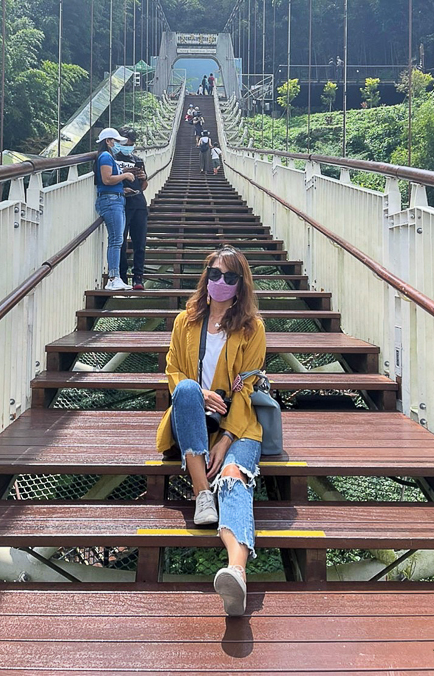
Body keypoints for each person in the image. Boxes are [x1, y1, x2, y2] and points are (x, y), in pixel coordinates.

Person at [156, 246, 266, 617]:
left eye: (230, 277)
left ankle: (236, 571)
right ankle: (202, 493)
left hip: (237, 423)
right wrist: (198, 390)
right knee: (185, 388)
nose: (220, 282)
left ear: (240, 285)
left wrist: (227, 439)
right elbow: (172, 370)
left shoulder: (252, 329)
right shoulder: (184, 321)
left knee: (235, 475)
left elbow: (247, 389)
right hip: (191, 414)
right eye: (215, 274)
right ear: (206, 277)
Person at [94, 127, 136, 291]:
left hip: (115, 199)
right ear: (108, 141)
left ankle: (115, 277)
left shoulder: (107, 156)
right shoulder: (105, 156)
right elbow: (107, 179)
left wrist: (122, 188)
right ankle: (113, 278)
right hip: (111, 201)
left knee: (117, 240)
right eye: (116, 141)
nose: (118, 144)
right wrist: (125, 176)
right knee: (116, 240)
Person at [114, 126, 148, 291]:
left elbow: (144, 186)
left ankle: (138, 278)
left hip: (139, 203)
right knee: (120, 242)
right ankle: (121, 276)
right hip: (121, 204)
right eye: (127, 142)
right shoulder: (110, 159)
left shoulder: (137, 159)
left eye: (132, 143)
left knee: (139, 243)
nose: (129, 146)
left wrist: (143, 178)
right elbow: (106, 180)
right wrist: (123, 173)